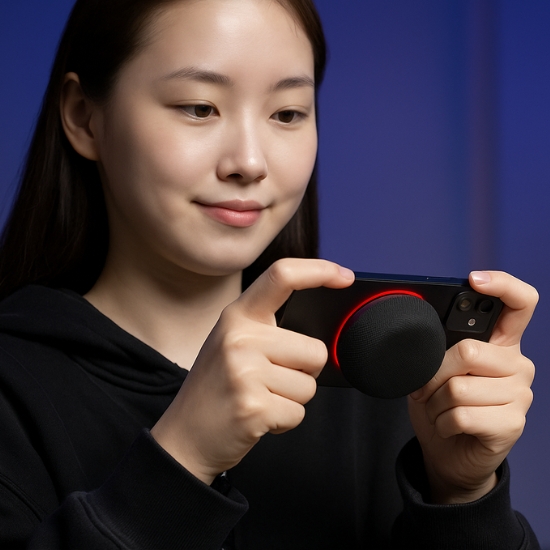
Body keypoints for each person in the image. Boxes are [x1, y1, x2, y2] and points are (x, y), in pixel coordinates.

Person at [0, 0, 540, 548]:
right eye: (199, 108)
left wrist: (462, 496)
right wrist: (183, 457)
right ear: (83, 116)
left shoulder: (371, 375)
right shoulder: (14, 385)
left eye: (286, 114)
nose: (250, 162)